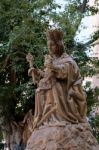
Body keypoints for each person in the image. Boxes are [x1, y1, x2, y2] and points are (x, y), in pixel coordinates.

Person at [26, 29, 87, 129]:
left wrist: (53, 67)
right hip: (52, 85)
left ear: (59, 45)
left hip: (67, 89)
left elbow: (67, 72)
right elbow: (45, 76)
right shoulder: (52, 59)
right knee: (39, 90)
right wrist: (32, 66)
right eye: (48, 45)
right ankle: (47, 119)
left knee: (55, 86)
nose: (50, 48)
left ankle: (58, 117)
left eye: (52, 45)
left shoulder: (68, 60)